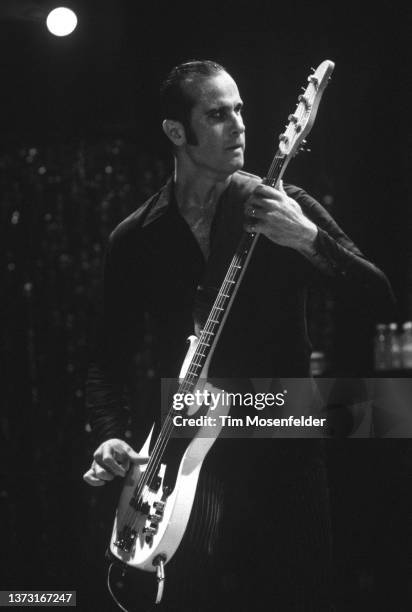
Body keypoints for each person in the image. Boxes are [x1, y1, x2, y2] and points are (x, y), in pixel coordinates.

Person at [83, 61, 393, 611]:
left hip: (281, 452)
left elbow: (379, 298)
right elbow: (106, 357)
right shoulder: (135, 238)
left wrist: (308, 239)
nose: (239, 125)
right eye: (218, 114)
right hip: (179, 467)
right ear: (177, 133)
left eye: (241, 110)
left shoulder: (282, 205)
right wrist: (108, 435)